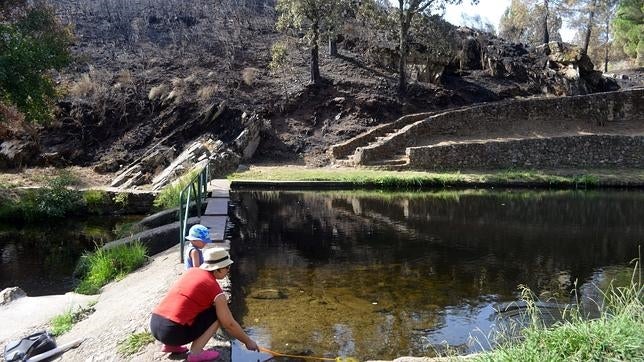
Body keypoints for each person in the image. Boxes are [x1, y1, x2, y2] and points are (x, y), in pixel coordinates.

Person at [150, 247, 259, 361]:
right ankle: (196, 353)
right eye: (227, 267)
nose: (228, 270)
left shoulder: (192, 271)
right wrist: (247, 341)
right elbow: (229, 324)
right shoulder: (214, 289)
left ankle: (171, 345)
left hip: (155, 324)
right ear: (217, 269)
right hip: (172, 332)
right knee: (217, 315)